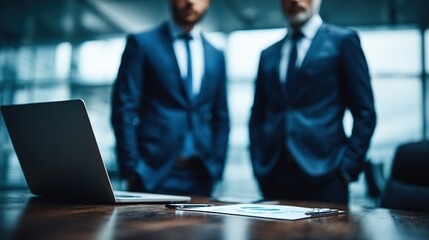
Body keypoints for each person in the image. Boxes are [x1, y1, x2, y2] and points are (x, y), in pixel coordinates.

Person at [249, 0, 376, 204]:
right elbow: (258, 115)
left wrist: (347, 169)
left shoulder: (343, 41)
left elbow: (365, 113)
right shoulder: (268, 54)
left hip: (327, 175)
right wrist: (259, 165)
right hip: (274, 175)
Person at [111, 0, 230, 196]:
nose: (191, 2)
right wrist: (131, 168)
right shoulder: (142, 44)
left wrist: (216, 167)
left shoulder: (215, 55)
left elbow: (221, 117)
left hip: (201, 174)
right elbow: (124, 108)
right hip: (152, 173)